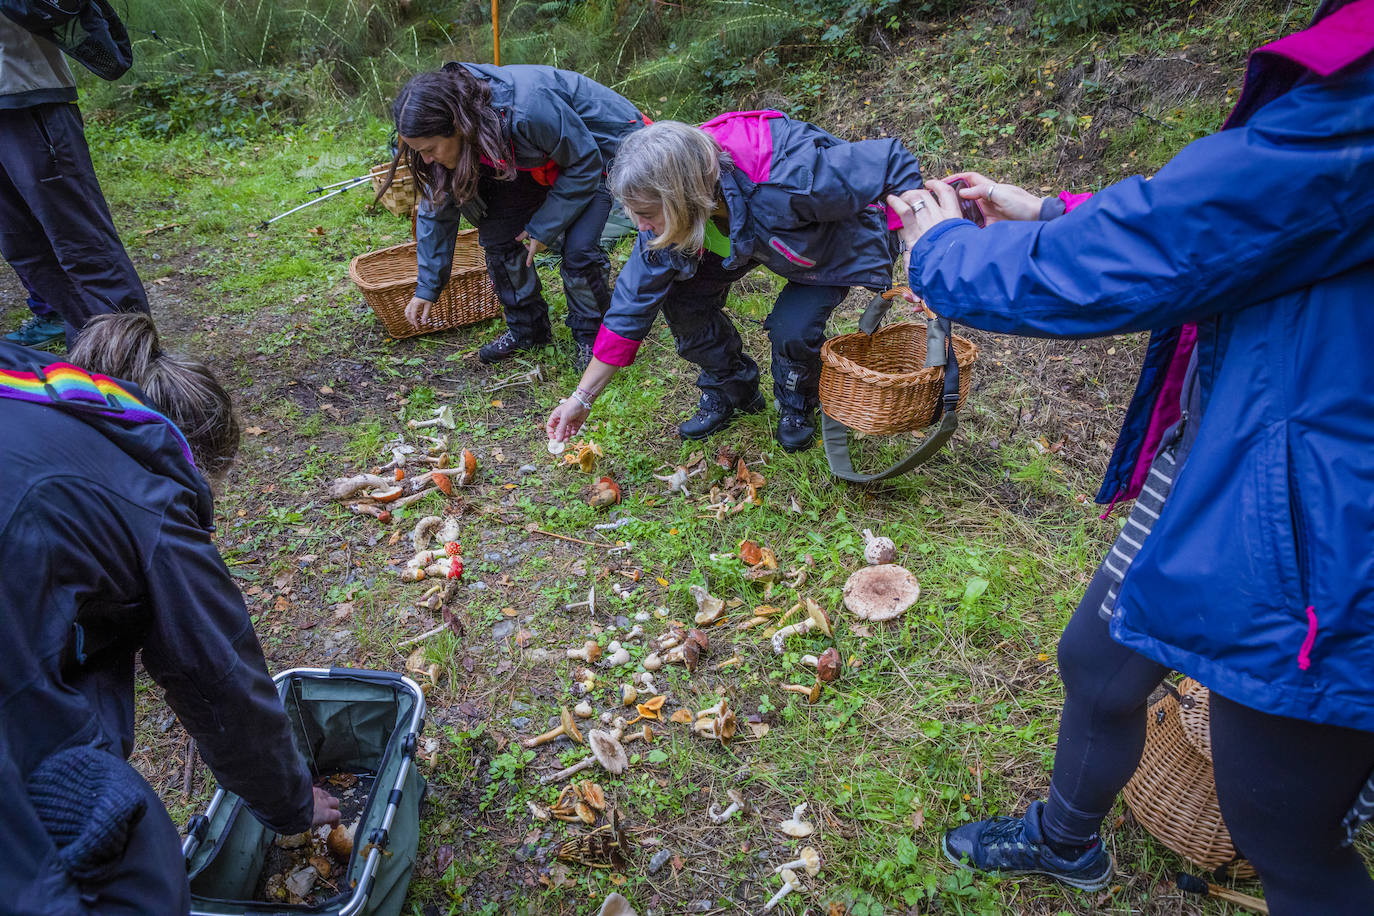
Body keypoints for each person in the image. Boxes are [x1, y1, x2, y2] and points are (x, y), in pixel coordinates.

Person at [885, 0, 1374, 911]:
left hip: (1323, 518)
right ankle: (1066, 841)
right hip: (1240, 455)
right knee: (1097, 656)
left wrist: (943, 254)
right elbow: (1225, 218)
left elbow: (1169, 243)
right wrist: (1050, 212)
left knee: (1286, 832)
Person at [0, 313, 340, 914]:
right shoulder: (145, 495)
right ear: (192, 453)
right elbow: (220, 681)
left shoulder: (33, 386)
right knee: (130, 860)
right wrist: (291, 803)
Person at [544, 113, 923, 452]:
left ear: (680, 195)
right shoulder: (672, 208)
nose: (641, 227)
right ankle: (732, 387)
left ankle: (796, 403)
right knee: (681, 300)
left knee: (793, 327)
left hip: (819, 245)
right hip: (743, 237)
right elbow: (630, 305)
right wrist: (582, 397)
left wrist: (918, 251)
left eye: (645, 214)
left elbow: (891, 162)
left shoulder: (791, 173)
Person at [381, 63, 649, 368]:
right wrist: (428, 286)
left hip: (596, 151)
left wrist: (543, 227)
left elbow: (583, 161)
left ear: (456, 126)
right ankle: (528, 331)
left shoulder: (526, 109)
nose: (427, 159)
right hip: (534, 159)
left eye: (430, 149)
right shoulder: (462, 132)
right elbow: (438, 205)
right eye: (420, 152)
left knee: (579, 250)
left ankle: (592, 336)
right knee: (498, 238)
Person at [0, 7, 151, 346]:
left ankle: (132, 365)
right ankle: (92, 350)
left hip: (27, 95)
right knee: (23, 247)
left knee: (82, 245)